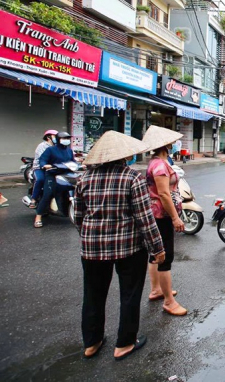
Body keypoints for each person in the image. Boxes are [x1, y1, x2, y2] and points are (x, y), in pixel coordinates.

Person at [74, 131, 165, 360]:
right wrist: (158, 249)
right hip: (129, 248)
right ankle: (124, 343)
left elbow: (78, 217)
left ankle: (91, 342)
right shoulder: (132, 177)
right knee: (130, 294)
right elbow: (145, 219)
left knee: (93, 294)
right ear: (125, 156)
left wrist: (92, 236)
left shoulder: (84, 179)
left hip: (92, 249)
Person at [142, 125, 187, 316]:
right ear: (165, 144)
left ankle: (157, 290)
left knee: (156, 254)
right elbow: (164, 194)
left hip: (156, 213)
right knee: (165, 257)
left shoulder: (158, 162)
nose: (174, 143)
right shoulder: (160, 165)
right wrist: (176, 218)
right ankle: (169, 301)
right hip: (162, 215)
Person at [34, 131, 76, 228]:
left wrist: (80, 165)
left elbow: (72, 161)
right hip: (52, 175)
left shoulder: (69, 150)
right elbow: (42, 160)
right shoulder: (50, 150)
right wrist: (45, 165)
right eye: (64, 138)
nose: (66, 140)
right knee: (47, 194)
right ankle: (38, 217)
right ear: (58, 139)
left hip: (66, 174)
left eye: (67, 138)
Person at [28, 129, 58, 209]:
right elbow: (44, 158)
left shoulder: (57, 146)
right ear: (48, 137)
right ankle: (33, 200)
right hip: (40, 168)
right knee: (40, 180)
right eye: (55, 136)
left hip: (54, 168)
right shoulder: (42, 146)